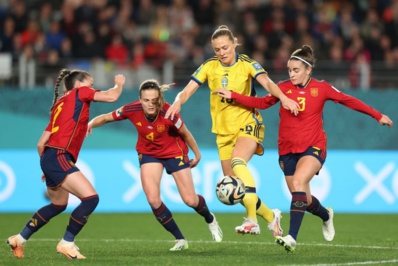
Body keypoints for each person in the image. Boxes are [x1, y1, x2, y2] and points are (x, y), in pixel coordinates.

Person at [214, 44, 393, 252]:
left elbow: (348, 100)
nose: (292, 74)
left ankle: (291, 237)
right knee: (303, 199)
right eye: (289, 70)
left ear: (309, 70)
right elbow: (262, 103)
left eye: (296, 70)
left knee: (299, 181)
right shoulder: (282, 88)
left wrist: (377, 115)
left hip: (313, 146)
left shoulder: (322, 88)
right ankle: (326, 215)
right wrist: (233, 95)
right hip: (287, 150)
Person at [165, 25, 300, 237]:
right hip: (223, 132)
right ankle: (270, 216)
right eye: (217, 49)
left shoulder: (247, 64)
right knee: (235, 186)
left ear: (234, 43)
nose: (222, 52)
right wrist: (177, 102)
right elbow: (187, 89)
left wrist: (284, 98)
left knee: (238, 162)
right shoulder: (209, 66)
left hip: (248, 123)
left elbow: (268, 83)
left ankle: (252, 220)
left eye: (225, 47)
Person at [87, 79, 223, 251]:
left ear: (159, 98)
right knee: (153, 199)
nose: (150, 105)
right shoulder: (131, 109)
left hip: (175, 153)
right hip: (149, 154)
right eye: (146, 100)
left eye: (154, 100)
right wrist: (91, 123)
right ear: (140, 99)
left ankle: (210, 218)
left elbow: (186, 134)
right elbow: (107, 117)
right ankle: (180, 239)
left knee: (190, 199)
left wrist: (197, 154)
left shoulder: (170, 113)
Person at [7, 69, 126, 259]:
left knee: (58, 204)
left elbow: (40, 143)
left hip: (50, 157)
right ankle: (67, 242)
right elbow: (112, 97)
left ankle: (19, 239)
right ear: (79, 85)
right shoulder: (80, 92)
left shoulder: (59, 104)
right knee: (91, 198)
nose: (92, 88)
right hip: (59, 155)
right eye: (90, 84)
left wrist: (47, 167)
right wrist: (119, 83)